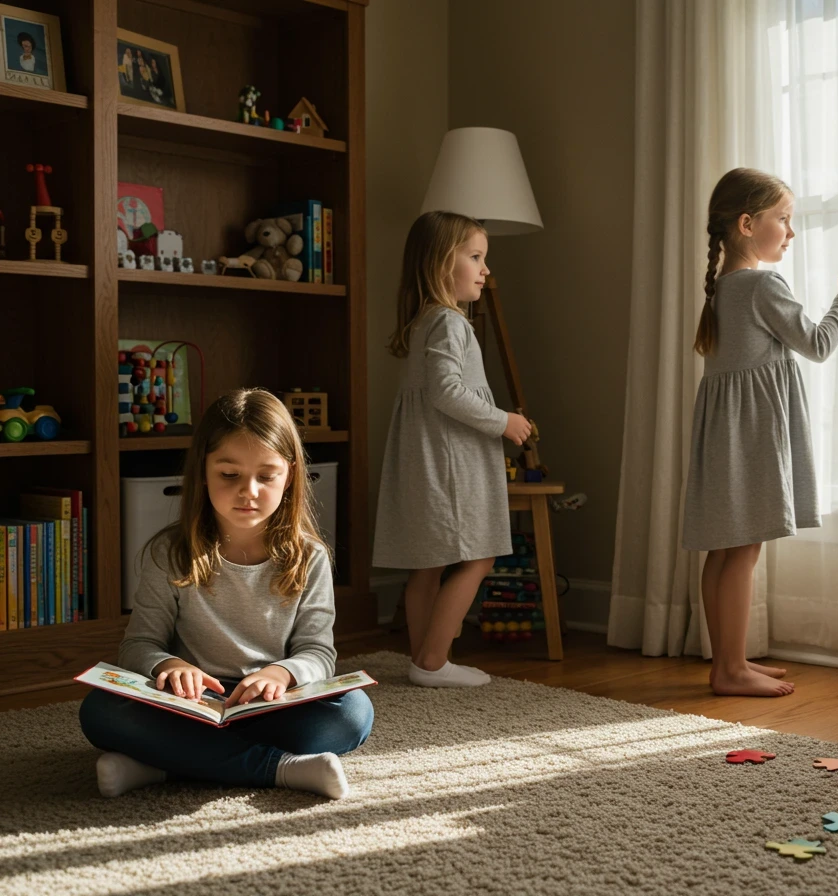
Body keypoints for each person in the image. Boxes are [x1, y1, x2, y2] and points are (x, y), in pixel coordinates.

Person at [79, 389, 373, 798]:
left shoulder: (310, 557)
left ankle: (159, 766)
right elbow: (139, 644)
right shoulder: (170, 552)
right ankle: (280, 769)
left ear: (288, 475)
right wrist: (168, 666)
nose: (248, 491)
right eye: (229, 475)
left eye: (266, 476)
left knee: (354, 713)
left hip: (271, 705)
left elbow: (318, 653)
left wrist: (281, 673)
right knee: (100, 711)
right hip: (190, 706)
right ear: (203, 471)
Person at [682, 167, 838, 697]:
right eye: (783, 220)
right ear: (747, 224)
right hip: (750, 435)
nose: (790, 232)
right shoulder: (761, 283)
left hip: (727, 431)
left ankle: (729, 660)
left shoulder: (724, 285)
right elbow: (815, 344)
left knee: (723, 552)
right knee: (742, 552)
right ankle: (730, 670)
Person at [373, 211, 531, 688]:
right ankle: (434, 660)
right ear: (444, 263)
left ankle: (425, 658)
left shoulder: (426, 321)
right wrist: (504, 421)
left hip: (425, 458)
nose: (485, 270)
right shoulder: (451, 323)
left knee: (428, 563)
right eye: (476, 257)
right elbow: (446, 392)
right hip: (450, 465)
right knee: (479, 557)